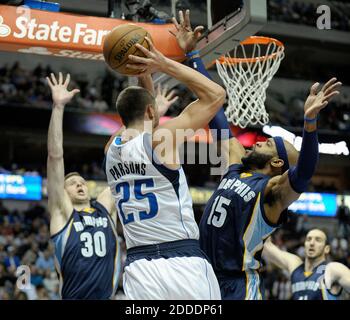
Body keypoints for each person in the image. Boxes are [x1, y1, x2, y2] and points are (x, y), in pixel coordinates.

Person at [197, 48, 342, 298]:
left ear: (276, 163)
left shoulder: (272, 192)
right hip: (203, 278)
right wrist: (192, 56)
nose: (256, 143)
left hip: (238, 286)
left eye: (266, 144)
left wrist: (309, 123)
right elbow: (215, 114)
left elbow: (305, 172)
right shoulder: (236, 168)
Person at [104, 10, 226, 300]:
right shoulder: (162, 140)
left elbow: (142, 126)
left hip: (138, 268)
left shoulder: (110, 149)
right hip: (181, 260)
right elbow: (215, 95)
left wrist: (143, 75)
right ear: (151, 111)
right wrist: (162, 63)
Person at [46, 73, 121, 300]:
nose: (79, 184)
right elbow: (55, 156)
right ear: (63, 192)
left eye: (81, 182)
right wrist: (58, 107)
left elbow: (127, 163)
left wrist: (148, 115)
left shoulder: (105, 208)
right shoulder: (63, 213)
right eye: (71, 183)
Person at [263, 229, 350, 300]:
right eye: (308, 239)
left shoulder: (332, 269)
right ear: (304, 245)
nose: (312, 243)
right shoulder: (295, 266)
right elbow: (266, 247)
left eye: (318, 240)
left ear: (326, 249)